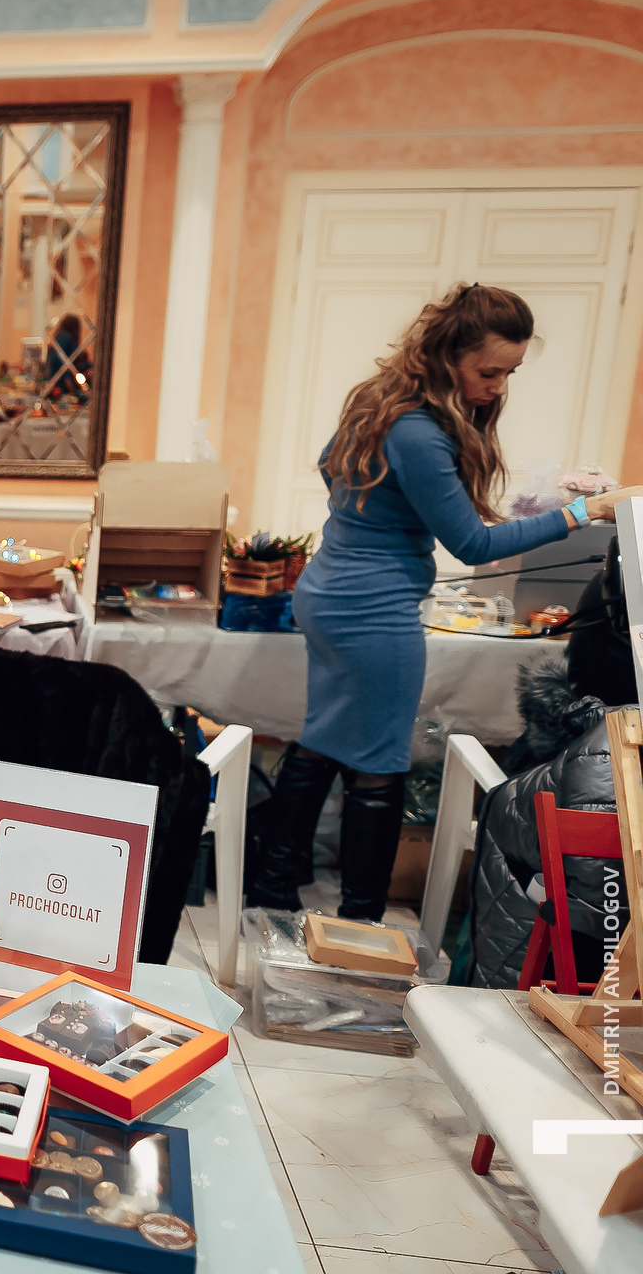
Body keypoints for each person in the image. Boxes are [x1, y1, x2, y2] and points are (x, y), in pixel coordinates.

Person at [247, 283, 643, 920]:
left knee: (322, 738)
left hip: (330, 590)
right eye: (488, 372)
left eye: (510, 373)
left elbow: (327, 465)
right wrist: (583, 511)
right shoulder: (419, 432)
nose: (498, 387)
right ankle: (362, 924)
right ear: (448, 354)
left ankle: (270, 892)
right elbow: (473, 543)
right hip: (371, 609)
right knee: (380, 763)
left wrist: (376, 525)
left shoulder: (379, 401)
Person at [44, 312, 93, 401]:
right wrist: (67, 378)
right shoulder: (65, 337)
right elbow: (62, 360)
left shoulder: (59, 337)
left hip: (58, 381)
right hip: (61, 382)